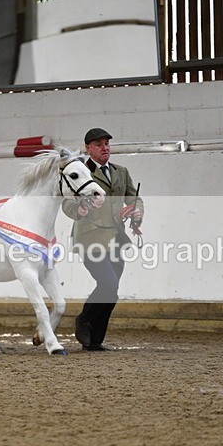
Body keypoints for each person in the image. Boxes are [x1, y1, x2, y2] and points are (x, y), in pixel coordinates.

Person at [62, 128, 144, 351]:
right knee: (109, 284)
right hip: (90, 239)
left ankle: (95, 340)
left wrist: (136, 214)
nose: (105, 147)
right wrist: (79, 210)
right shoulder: (80, 172)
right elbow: (67, 204)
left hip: (116, 238)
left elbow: (134, 198)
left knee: (112, 291)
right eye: (98, 144)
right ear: (88, 148)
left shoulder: (121, 171)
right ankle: (83, 320)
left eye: (107, 143)